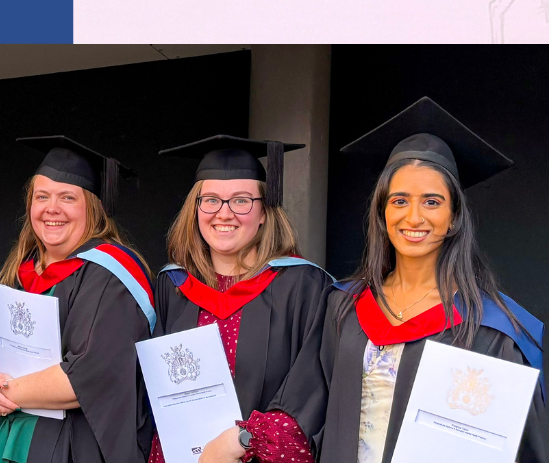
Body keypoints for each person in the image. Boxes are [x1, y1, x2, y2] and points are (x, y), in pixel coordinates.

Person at [286, 97, 547, 463]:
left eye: (432, 202)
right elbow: (303, 410)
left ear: (454, 217)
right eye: (399, 201)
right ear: (382, 212)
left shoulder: (493, 330)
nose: (413, 217)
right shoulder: (342, 306)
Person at [153, 136, 332, 463]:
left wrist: (247, 441)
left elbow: (312, 392)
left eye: (241, 200)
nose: (224, 213)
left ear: (264, 211)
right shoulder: (172, 286)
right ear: (196, 209)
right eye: (211, 200)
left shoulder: (303, 286)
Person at [0, 136, 155, 463]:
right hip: (9, 443)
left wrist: (3, 392)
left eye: (67, 197)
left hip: (74, 448)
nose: (52, 209)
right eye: (42, 196)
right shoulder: (21, 273)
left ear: (93, 207)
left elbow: (89, 376)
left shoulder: (112, 275)